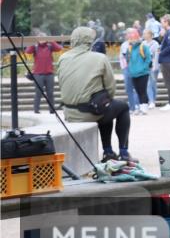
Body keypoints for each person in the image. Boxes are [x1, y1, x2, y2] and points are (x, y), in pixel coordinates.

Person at [57, 26, 131, 161]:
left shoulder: (63, 58)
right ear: (90, 41)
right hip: (90, 112)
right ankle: (123, 152)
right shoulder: (100, 58)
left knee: (105, 106)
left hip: (70, 112)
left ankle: (108, 152)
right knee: (121, 107)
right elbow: (111, 88)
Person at [26, 33, 62, 113]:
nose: (42, 39)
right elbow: (28, 51)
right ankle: (36, 110)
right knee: (38, 92)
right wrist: (33, 42)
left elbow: (59, 48)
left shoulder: (50, 46)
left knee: (50, 93)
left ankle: (52, 110)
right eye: (40, 38)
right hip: (38, 74)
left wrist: (51, 40)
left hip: (49, 74)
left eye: (43, 38)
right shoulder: (35, 46)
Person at [122, 28, 153, 114]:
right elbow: (127, 60)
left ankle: (144, 108)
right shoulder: (129, 48)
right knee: (138, 91)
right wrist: (131, 69)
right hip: (134, 73)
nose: (132, 40)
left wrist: (144, 68)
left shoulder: (144, 47)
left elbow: (148, 59)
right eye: (130, 39)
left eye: (133, 38)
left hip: (143, 73)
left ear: (137, 38)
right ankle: (141, 107)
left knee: (143, 91)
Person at [143, 29, 160, 108]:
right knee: (148, 84)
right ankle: (151, 101)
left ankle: (153, 100)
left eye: (145, 34)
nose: (144, 35)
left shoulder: (155, 44)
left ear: (150, 35)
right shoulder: (143, 43)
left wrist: (155, 66)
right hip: (146, 66)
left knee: (153, 84)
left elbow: (157, 55)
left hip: (154, 66)